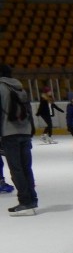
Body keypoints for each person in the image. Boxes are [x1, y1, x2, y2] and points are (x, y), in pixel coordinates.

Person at [0, 64, 38, 216]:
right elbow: (28, 110)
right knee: (26, 168)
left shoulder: (1, 88)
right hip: (25, 131)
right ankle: (32, 199)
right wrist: (31, 129)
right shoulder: (20, 87)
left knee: (16, 169)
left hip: (9, 133)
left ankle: (25, 201)